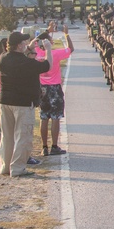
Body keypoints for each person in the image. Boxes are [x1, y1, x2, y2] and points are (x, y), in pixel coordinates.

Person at [0, 31, 52, 176]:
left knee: (7, 137)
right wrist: (48, 49)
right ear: (18, 45)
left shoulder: (3, 58)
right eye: (23, 43)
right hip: (23, 102)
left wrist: (28, 48)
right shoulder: (25, 63)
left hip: (5, 101)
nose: (25, 44)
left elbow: (18, 57)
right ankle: (18, 168)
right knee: (23, 137)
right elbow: (47, 65)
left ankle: (5, 166)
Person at [37, 24, 74, 157]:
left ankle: (44, 147)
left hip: (42, 88)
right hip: (54, 88)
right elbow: (71, 49)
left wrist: (47, 31)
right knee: (55, 118)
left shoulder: (37, 53)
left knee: (43, 117)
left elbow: (33, 42)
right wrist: (66, 34)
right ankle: (54, 146)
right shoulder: (55, 54)